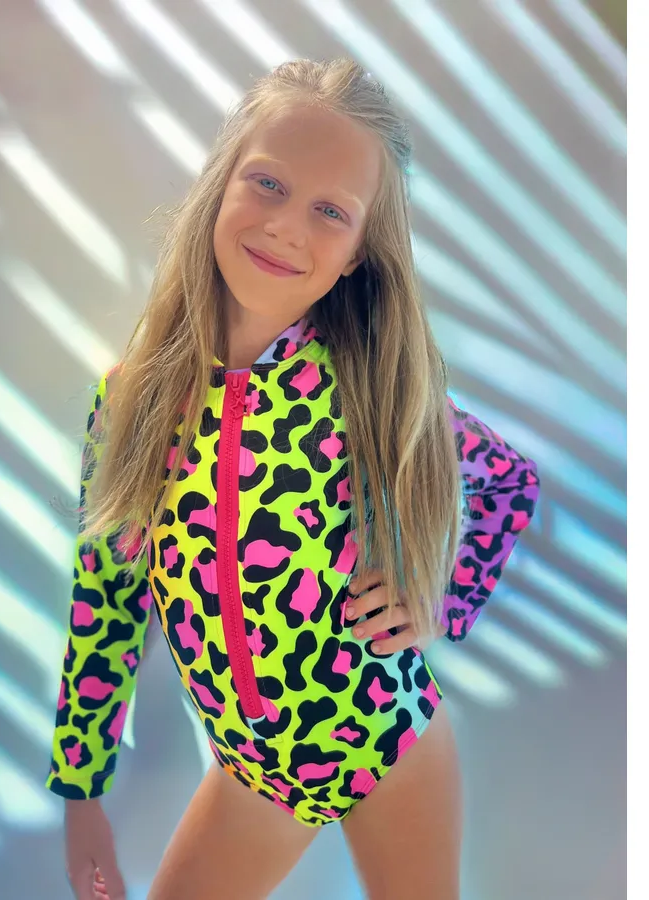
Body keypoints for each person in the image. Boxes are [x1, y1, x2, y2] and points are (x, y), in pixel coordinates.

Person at [47, 58, 540, 900]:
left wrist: (442, 599)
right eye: (268, 183)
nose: (284, 227)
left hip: (384, 738)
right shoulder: (131, 403)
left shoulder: (368, 382)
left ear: (357, 253)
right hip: (254, 774)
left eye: (330, 211)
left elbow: (508, 485)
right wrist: (81, 792)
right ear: (221, 184)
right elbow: (106, 602)